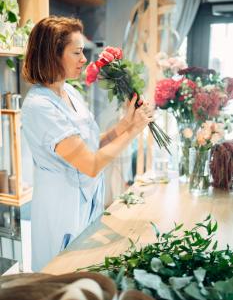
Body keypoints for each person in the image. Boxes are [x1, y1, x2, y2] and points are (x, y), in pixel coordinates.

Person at [21, 16, 154, 271]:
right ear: (52, 55)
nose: (84, 59)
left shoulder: (68, 91)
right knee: (63, 285)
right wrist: (135, 131)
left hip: (86, 202)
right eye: (77, 52)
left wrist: (125, 125)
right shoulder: (39, 106)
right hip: (62, 209)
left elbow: (90, 146)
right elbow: (90, 164)